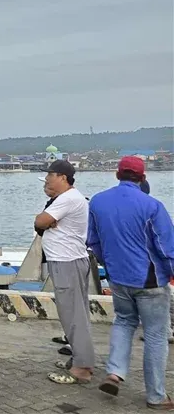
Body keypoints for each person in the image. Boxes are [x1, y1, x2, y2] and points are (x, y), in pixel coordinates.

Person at [87, 157, 174, 409]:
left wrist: (110, 265)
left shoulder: (97, 202)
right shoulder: (152, 206)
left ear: (117, 175)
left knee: (124, 322)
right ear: (143, 178)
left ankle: (115, 372)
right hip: (150, 281)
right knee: (155, 335)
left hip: (118, 278)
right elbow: (166, 247)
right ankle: (156, 396)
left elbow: (93, 241)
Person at [34, 160, 95, 386]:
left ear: (63, 177)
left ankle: (82, 368)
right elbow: (42, 224)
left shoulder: (68, 198)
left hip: (67, 262)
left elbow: (40, 221)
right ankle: (80, 359)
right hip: (68, 261)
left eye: (50, 175)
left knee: (73, 315)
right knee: (76, 313)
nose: (47, 179)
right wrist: (47, 222)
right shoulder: (66, 199)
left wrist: (47, 221)